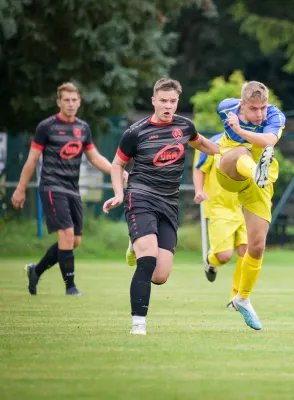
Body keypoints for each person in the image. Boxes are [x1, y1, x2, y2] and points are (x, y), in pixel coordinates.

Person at [102, 78, 219, 335]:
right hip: (140, 197)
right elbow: (117, 165)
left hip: (169, 202)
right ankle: (138, 325)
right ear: (154, 100)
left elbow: (202, 144)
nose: (168, 106)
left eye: (173, 101)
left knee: (160, 275)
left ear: (178, 101)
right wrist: (119, 194)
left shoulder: (185, 126)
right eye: (163, 101)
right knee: (147, 261)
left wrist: (226, 152)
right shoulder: (135, 132)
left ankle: (136, 243)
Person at [11, 82, 116, 296]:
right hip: (51, 186)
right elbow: (32, 160)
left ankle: (36, 270)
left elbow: (94, 157)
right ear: (59, 102)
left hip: (72, 189)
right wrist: (20, 189)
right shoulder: (46, 127)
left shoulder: (83, 128)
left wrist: (117, 171)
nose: (70, 104)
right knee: (67, 234)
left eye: (74, 100)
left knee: (73, 241)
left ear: (79, 102)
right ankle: (71, 287)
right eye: (66, 100)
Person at [213, 81, 286, 330]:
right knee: (241, 151)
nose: (260, 114)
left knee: (256, 247)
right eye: (254, 109)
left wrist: (240, 130)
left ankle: (242, 298)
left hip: (260, 184)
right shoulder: (227, 108)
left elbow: (268, 140)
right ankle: (256, 170)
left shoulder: (275, 115)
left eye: (263, 107)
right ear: (242, 104)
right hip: (230, 171)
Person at [192, 133, 248, 307]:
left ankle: (236, 298)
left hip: (242, 206)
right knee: (224, 256)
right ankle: (211, 260)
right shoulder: (214, 143)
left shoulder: (249, 143)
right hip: (218, 207)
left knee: (246, 252)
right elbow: (199, 168)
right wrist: (199, 190)